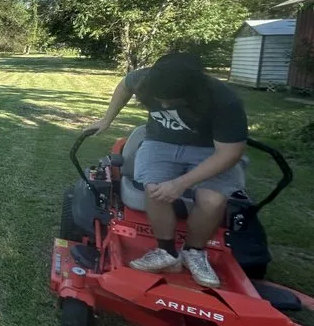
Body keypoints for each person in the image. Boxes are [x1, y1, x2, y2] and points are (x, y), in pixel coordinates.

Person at [84, 52, 248, 288]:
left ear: (193, 92)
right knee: (155, 189)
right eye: (159, 100)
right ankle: (167, 252)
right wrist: (106, 119)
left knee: (212, 201)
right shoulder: (145, 79)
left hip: (209, 149)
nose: (163, 106)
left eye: (171, 101)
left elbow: (229, 154)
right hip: (160, 143)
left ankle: (193, 251)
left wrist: (180, 183)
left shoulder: (224, 100)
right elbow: (125, 85)